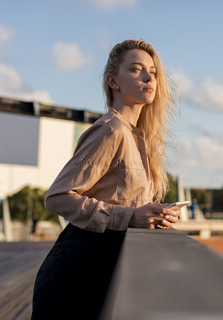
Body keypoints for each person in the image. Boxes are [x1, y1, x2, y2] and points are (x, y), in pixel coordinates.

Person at [31, 39, 180, 319]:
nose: (149, 77)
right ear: (114, 82)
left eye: (153, 72)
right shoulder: (111, 131)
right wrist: (130, 216)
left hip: (105, 268)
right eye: (136, 70)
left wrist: (154, 215)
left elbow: (124, 201)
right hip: (77, 271)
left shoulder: (139, 139)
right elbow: (58, 197)